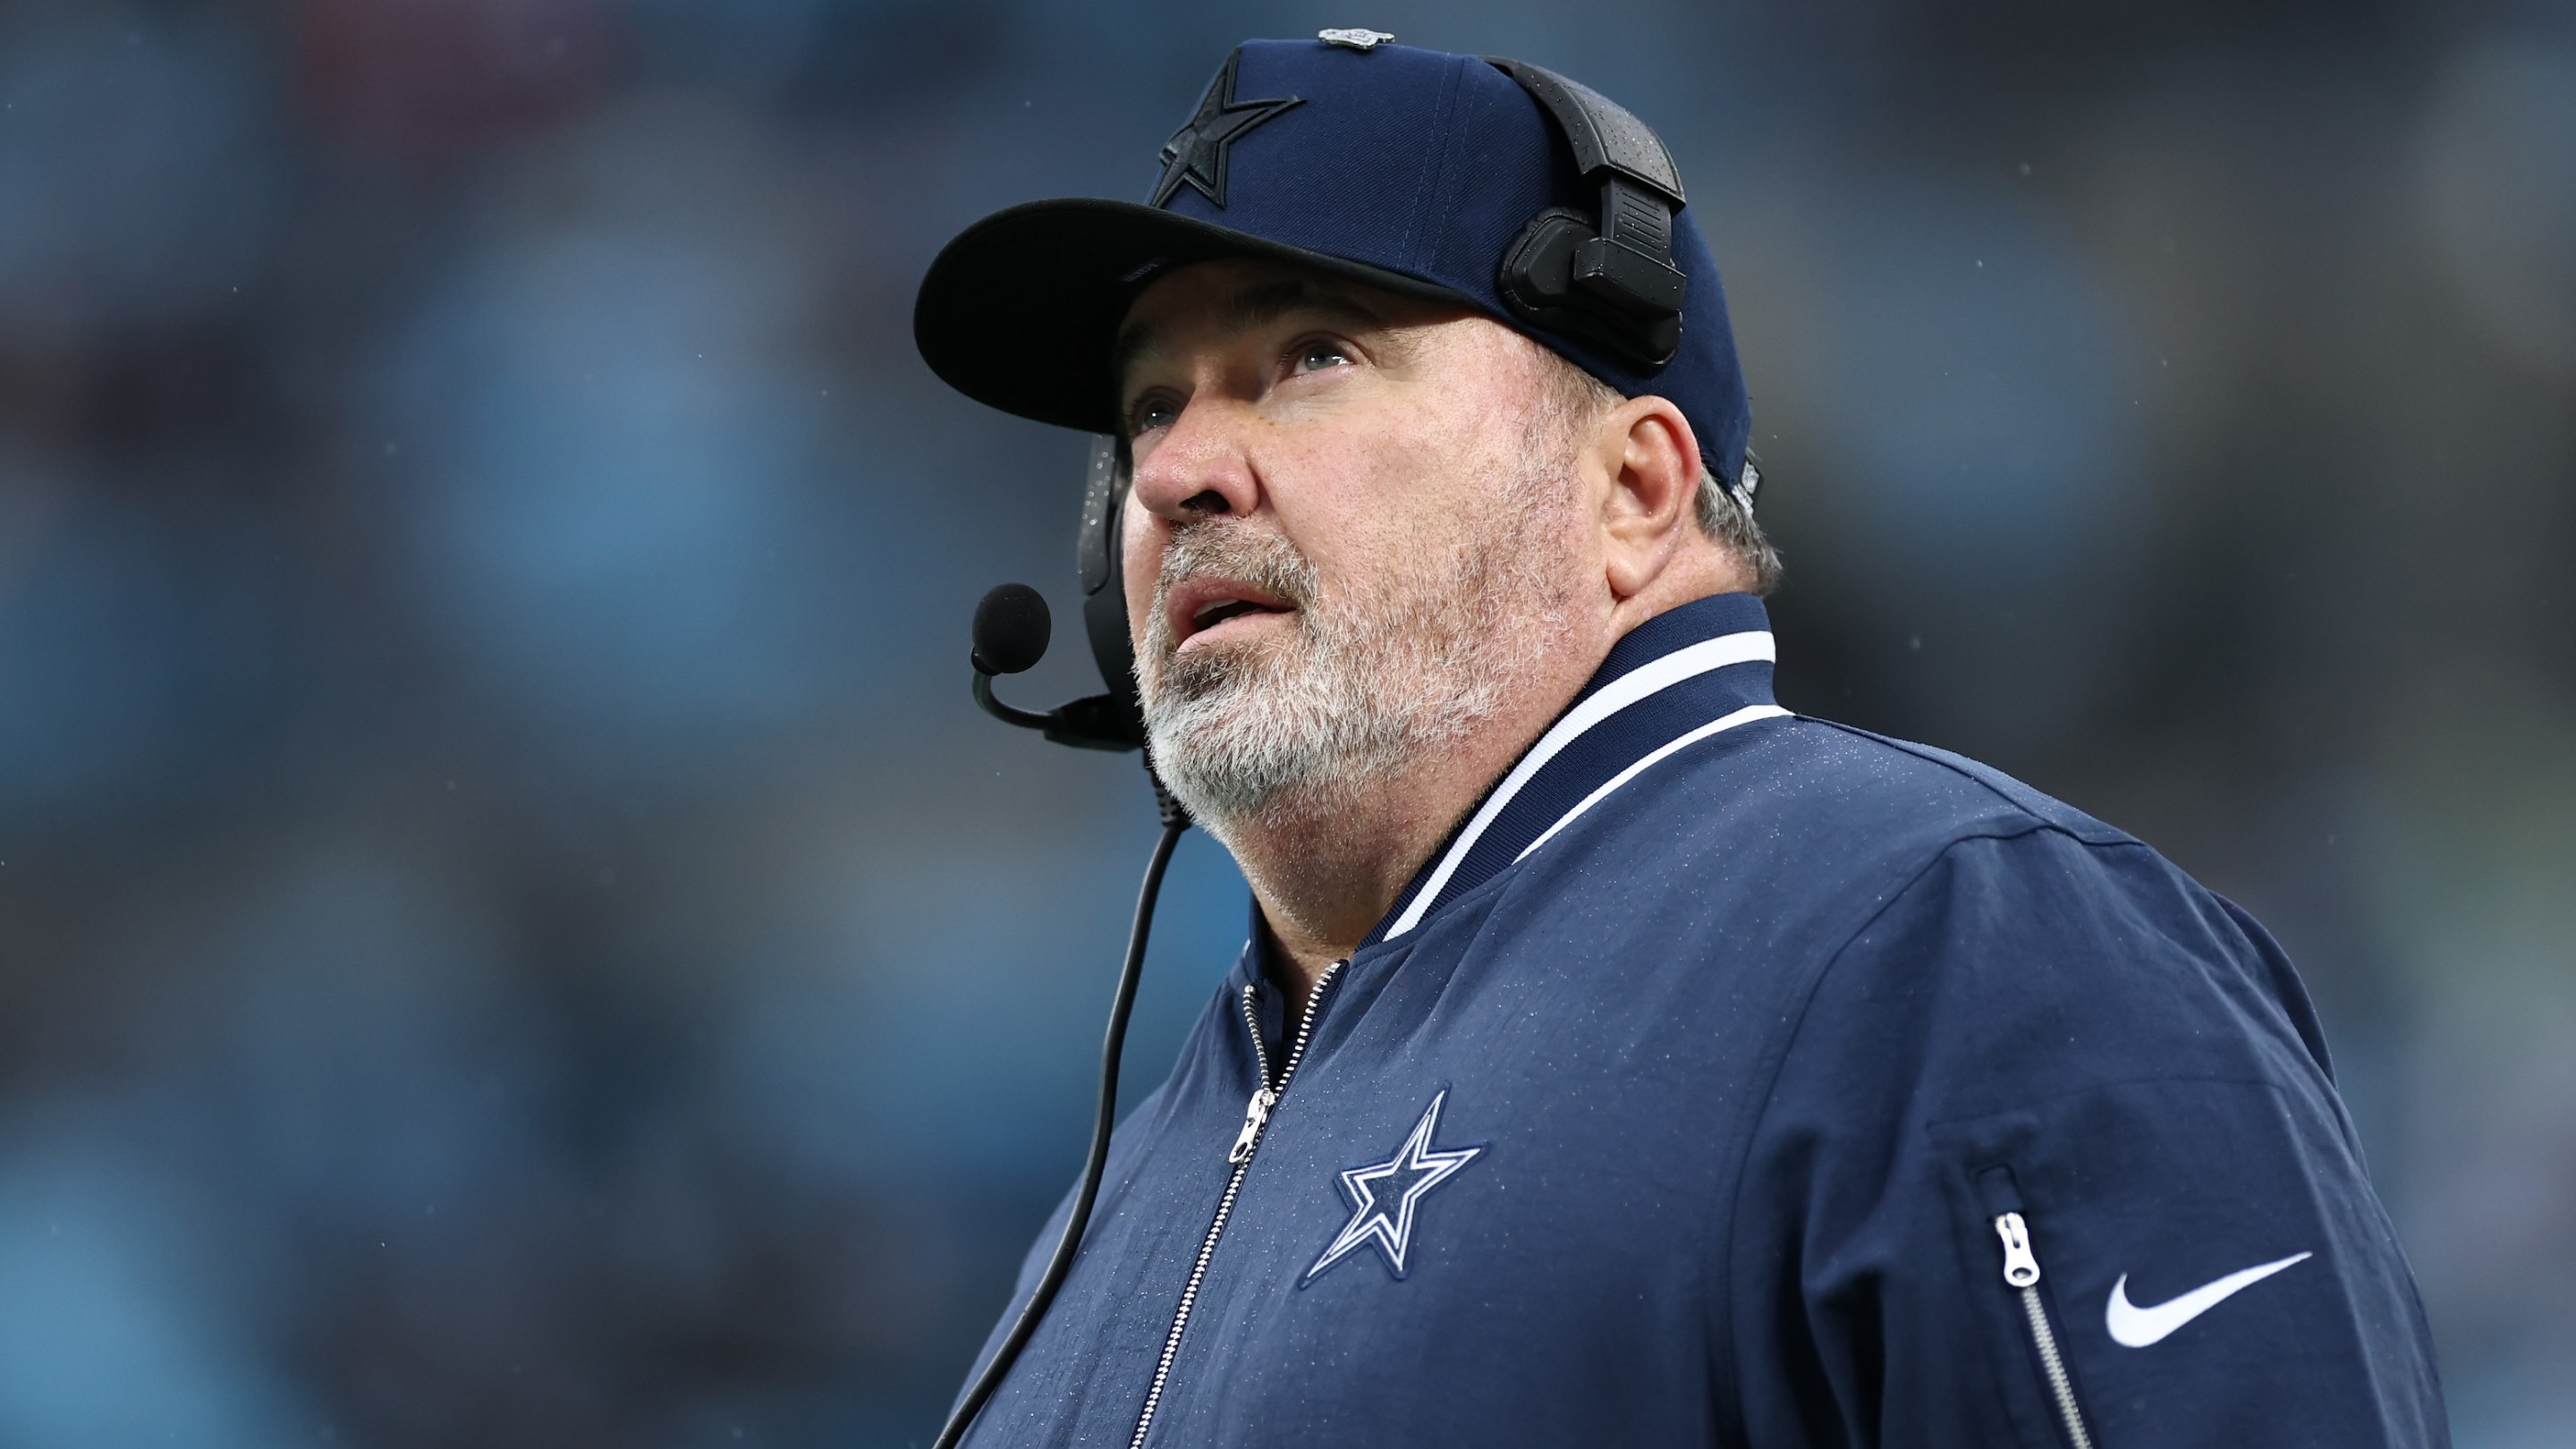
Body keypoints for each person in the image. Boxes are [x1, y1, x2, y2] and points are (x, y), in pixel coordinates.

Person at [910, 34, 2447, 1449]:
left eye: (1312, 355)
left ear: (1637, 489)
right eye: (1146, 409)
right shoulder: (1097, 1230)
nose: (1178, 470)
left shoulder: (1961, 947)